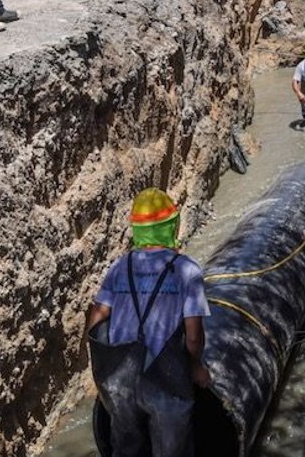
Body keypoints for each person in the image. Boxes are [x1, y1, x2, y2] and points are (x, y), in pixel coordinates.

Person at [87, 188, 211, 457]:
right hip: (166, 379)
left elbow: (97, 317)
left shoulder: (120, 266)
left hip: (120, 380)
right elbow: (193, 336)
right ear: (171, 226)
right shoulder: (186, 270)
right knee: (171, 448)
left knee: (127, 448)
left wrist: (102, 366)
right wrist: (196, 366)